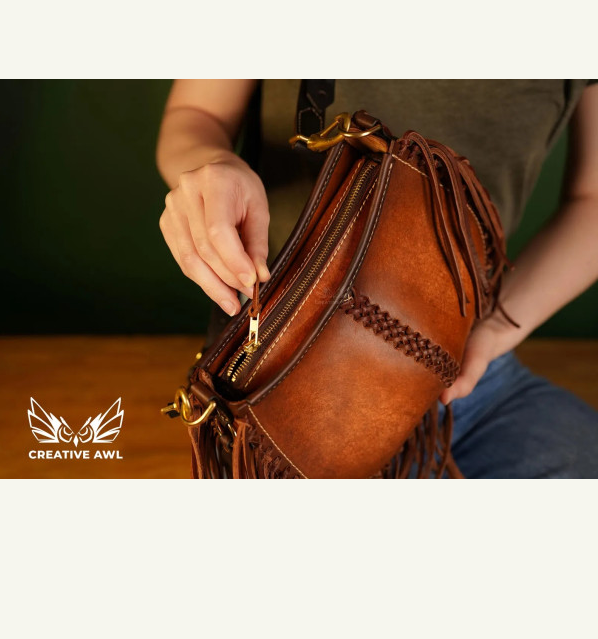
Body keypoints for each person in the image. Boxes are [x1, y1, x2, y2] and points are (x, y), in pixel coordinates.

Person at [156, 79, 598, 478]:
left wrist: (496, 330)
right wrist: (212, 164)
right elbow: (196, 115)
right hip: (285, 399)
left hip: (471, 375)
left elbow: (591, 200)